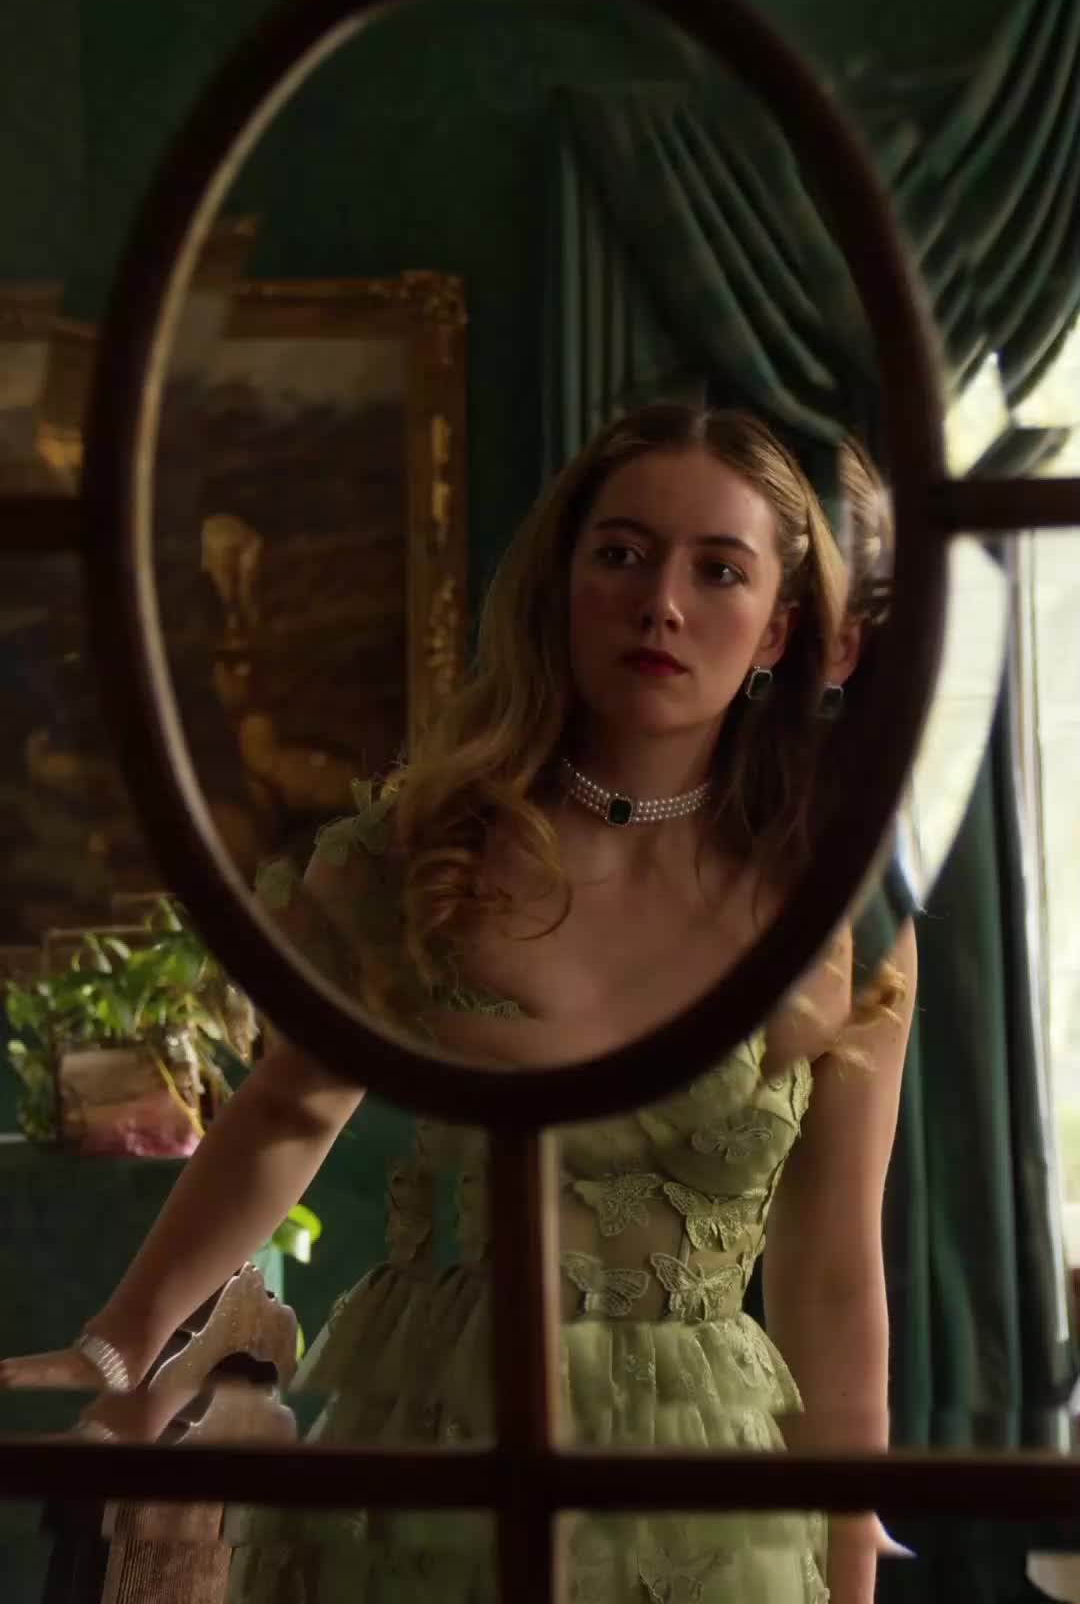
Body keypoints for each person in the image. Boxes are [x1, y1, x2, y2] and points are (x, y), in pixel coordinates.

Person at [1, 404, 916, 1604]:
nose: (661, 604)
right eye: (624, 554)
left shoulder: (836, 911)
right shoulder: (427, 853)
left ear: (778, 632)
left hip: (700, 1496)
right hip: (435, 1448)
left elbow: (832, 1268)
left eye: (719, 570)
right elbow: (289, 1108)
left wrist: (848, 1564)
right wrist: (123, 1342)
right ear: (562, 584)